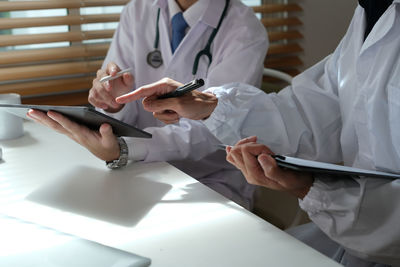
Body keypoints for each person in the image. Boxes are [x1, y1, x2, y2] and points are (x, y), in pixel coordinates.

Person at [115, 0, 400, 266]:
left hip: (375, 236)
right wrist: (208, 105)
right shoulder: (373, 10)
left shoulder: (244, 26)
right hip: (354, 236)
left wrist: (309, 187)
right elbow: (310, 111)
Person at [28, 0, 269, 210]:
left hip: (209, 180)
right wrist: (114, 104)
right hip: (138, 171)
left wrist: (125, 149)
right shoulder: (138, 10)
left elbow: (212, 129)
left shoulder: (244, 29)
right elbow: (116, 106)